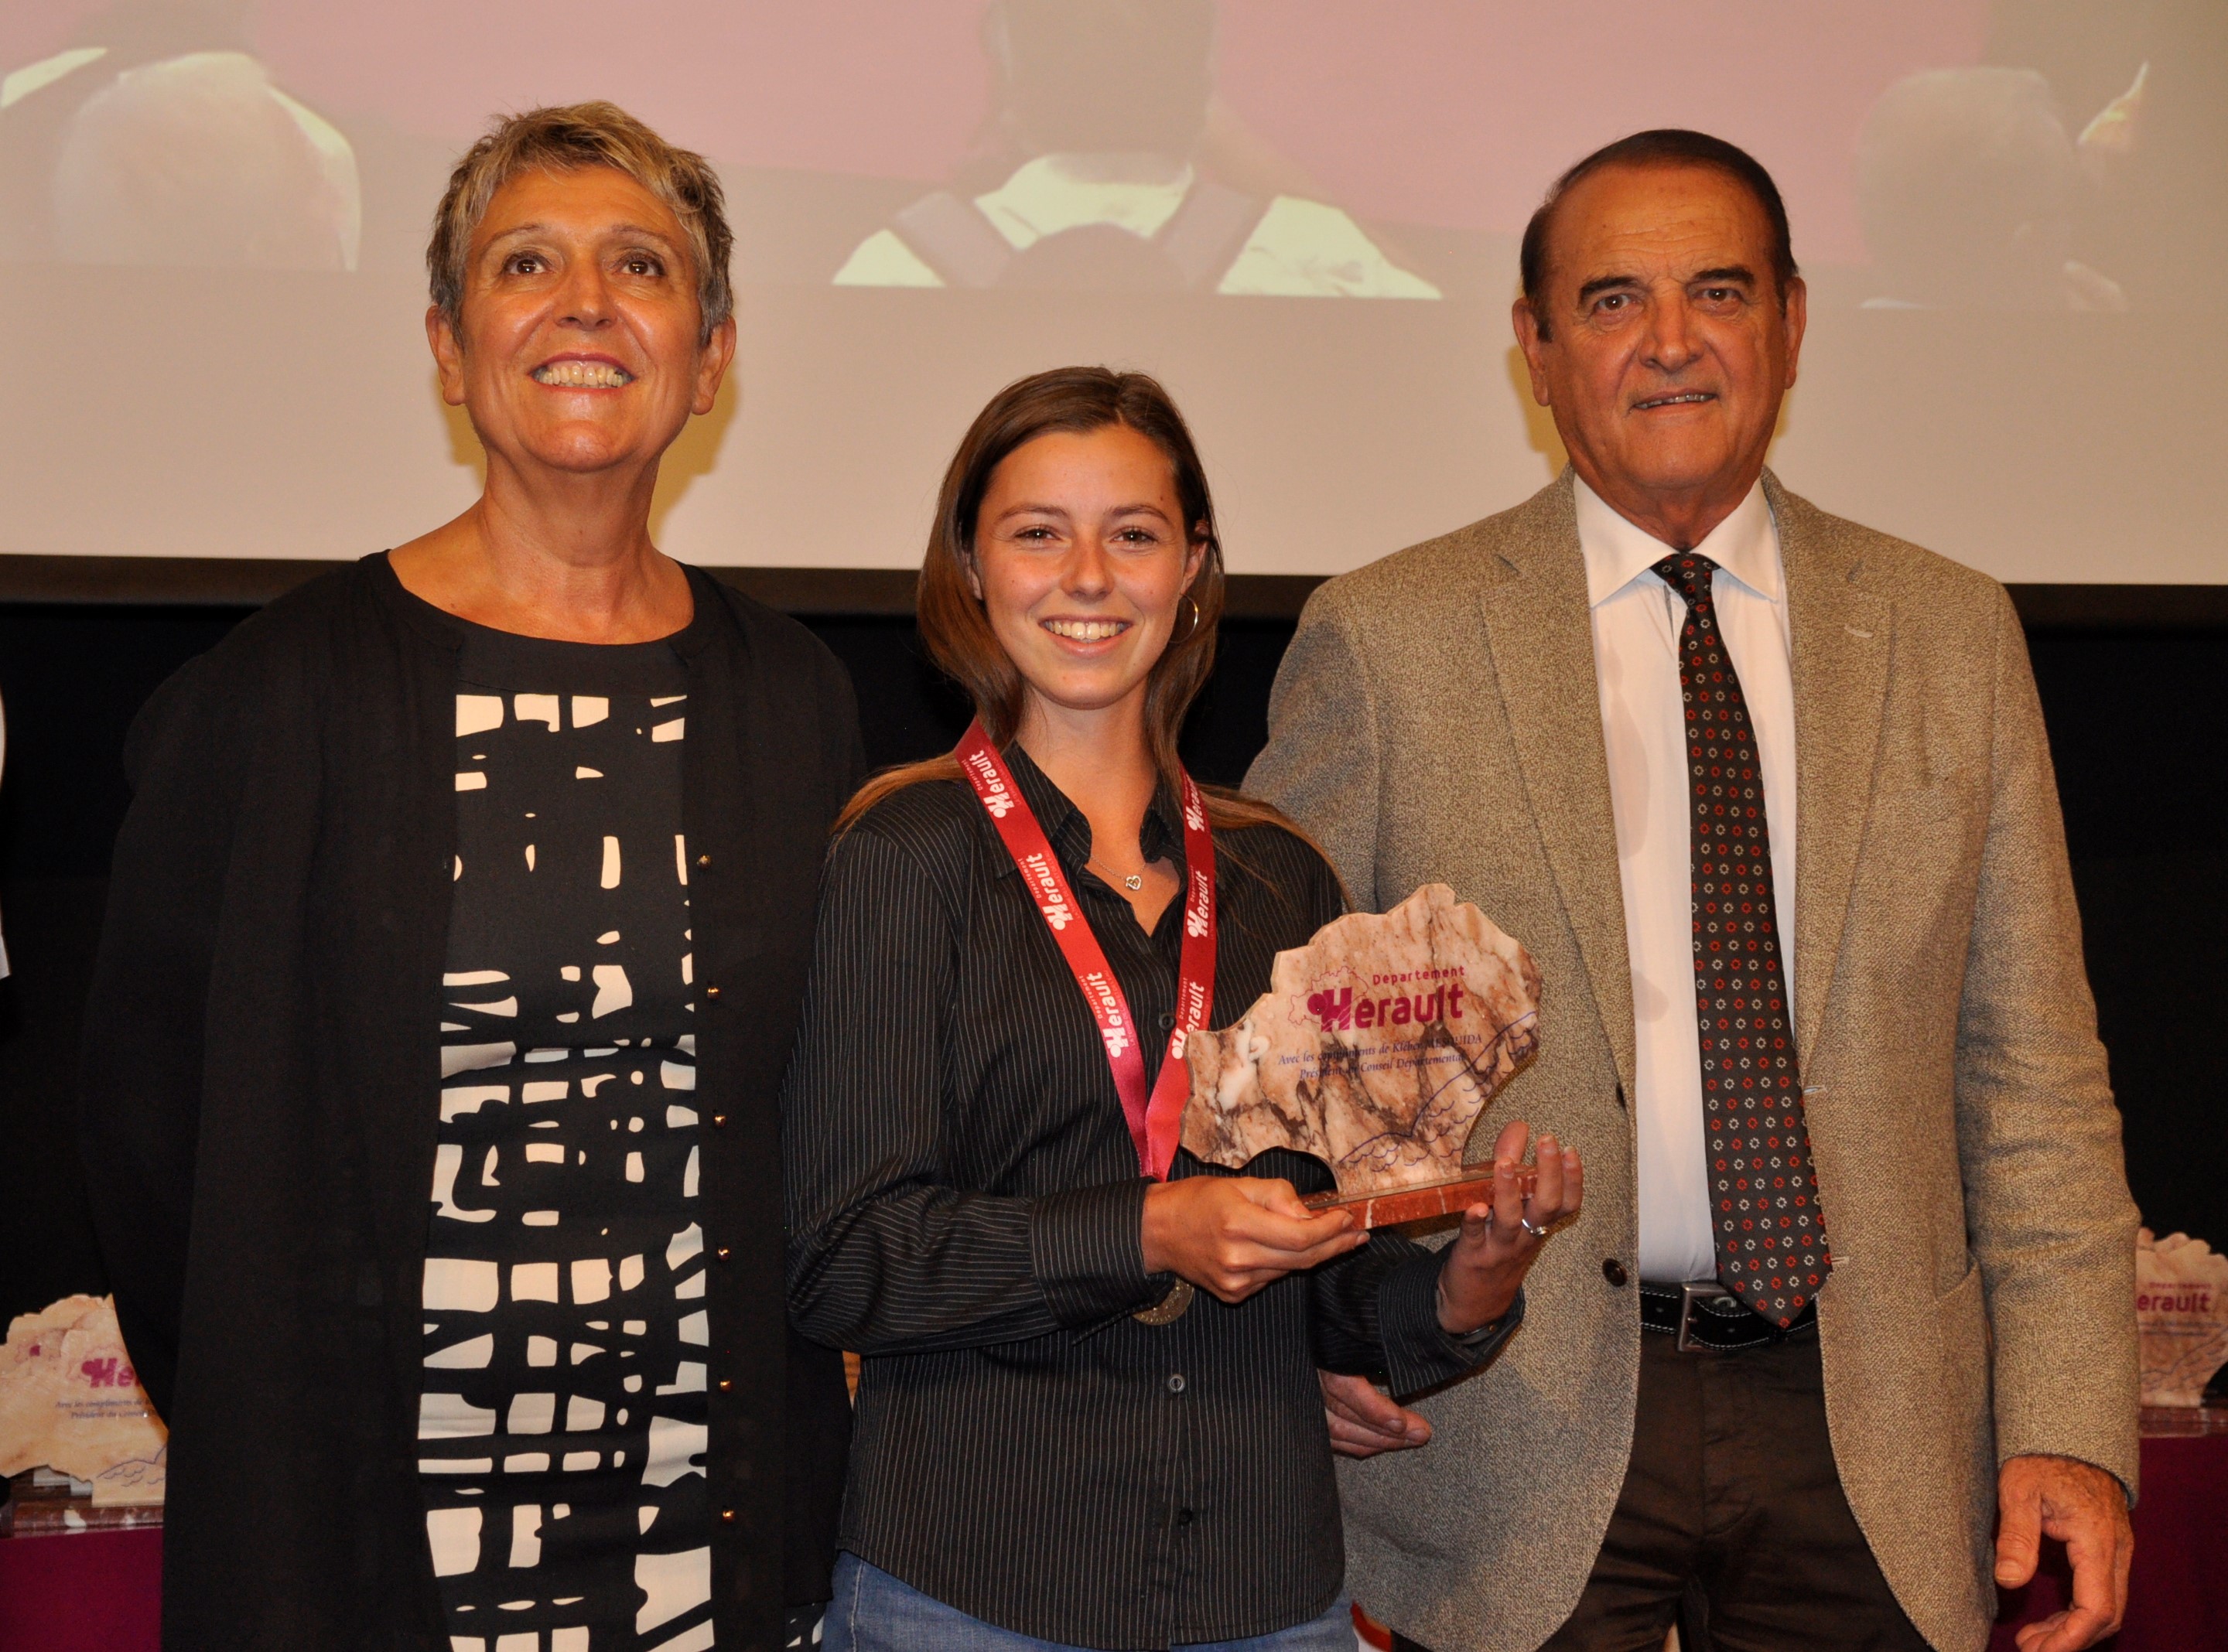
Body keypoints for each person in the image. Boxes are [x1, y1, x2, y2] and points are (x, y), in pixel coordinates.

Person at [1249, 130, 2138, 1652]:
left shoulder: (1953, 634)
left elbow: (2034, 1079)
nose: (1670, 341)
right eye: (1610, 301)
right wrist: (1312, 1340)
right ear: (1533, 348)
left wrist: (2068, 1419)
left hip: (1869, 1425)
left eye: (1716, 291)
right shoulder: (1387, 640)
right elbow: (1285, 1081)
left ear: (1791, 321)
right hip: (1506, 1425)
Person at [77, 103, 862, 1651]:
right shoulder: (273, 697)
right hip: (359, 1543)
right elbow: (145, 1138)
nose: (587, 302)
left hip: (706, 1542)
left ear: (711, 359)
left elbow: (838, 1120)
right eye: (528, 264)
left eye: (641, 266)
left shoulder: (796, 703)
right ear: (450, 346)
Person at [782, 365, 1580, 1651]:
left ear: (1195, 569)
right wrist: (1147, 1228)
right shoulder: (903, 853)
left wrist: (1471, 1281)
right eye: (1039, 532)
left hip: (1263, 1595)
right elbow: (845, 1261)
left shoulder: (1282, 878)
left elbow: (1333, 1272)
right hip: (974, 1587)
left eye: (1135, 534)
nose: (1089, 575)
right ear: (971, 570)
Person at [832, 0, 1437, 298]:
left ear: (1011, 68)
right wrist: (1248, 156)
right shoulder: (1314, 252)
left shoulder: (896, 261)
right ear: (1201, 76)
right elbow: (1430, 326)